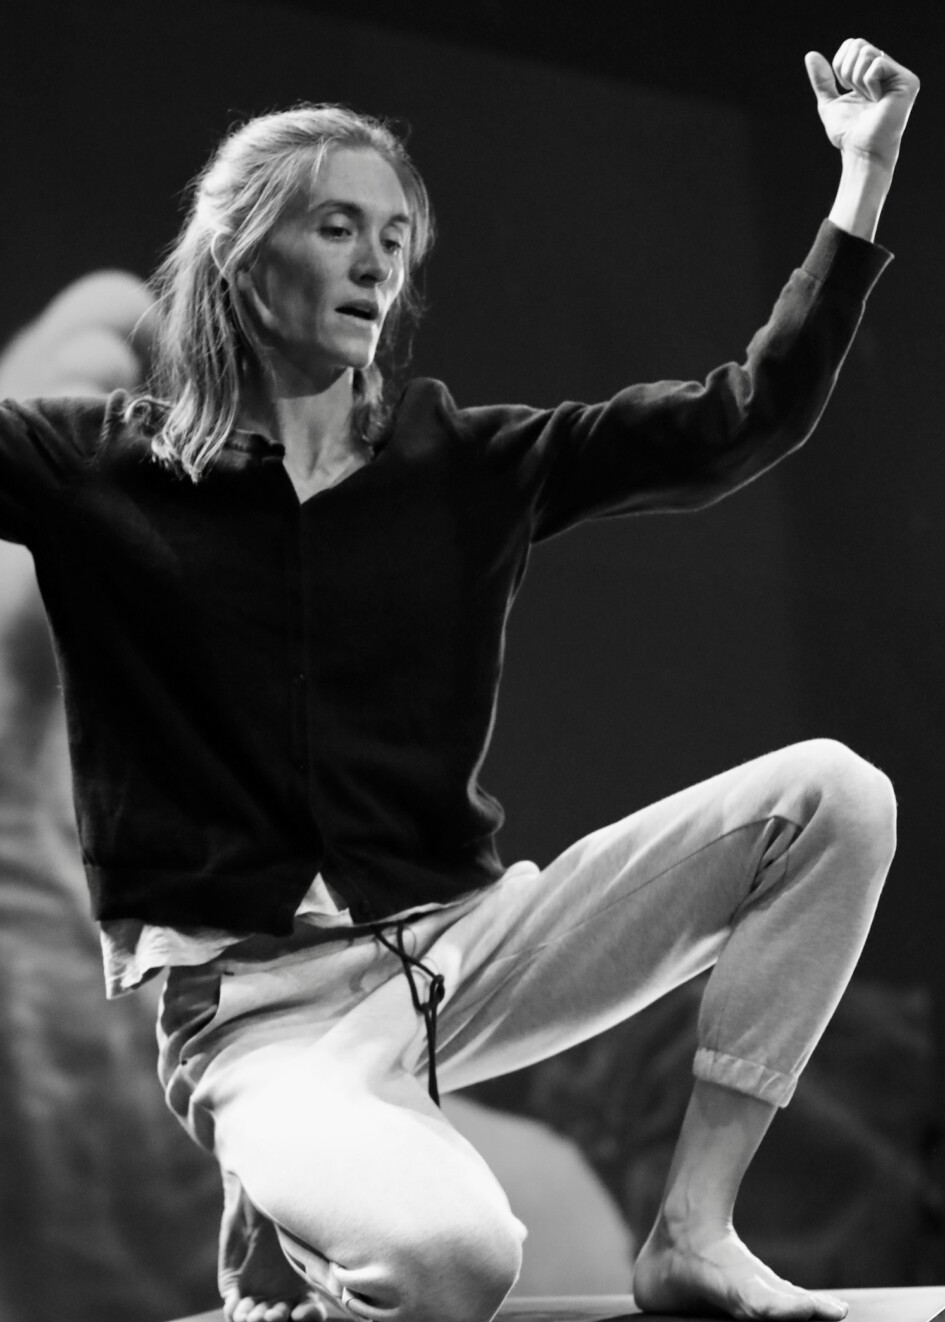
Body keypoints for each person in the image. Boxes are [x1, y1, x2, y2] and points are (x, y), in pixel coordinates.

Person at [0, 34, 918, 1322]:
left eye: (395, 237)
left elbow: (743, 418)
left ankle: (694, 1233)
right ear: (238, 252)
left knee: (835, 797)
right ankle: (291, 1224)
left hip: (461, 953)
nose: (377, 262)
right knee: (456, 1262)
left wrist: (861, 180)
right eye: (337, 227)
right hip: (260, 1015)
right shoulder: (99, 467)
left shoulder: (464, 463)